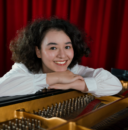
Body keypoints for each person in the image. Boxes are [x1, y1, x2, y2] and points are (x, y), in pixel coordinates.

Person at [0, 18, 122, 97]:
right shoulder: (23, 68)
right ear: (38, 52)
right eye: (53, 48)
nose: (62, 55)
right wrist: (55, 77)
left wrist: (74, 84)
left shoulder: (74, 70)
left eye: (67, 47)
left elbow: (115, 84)